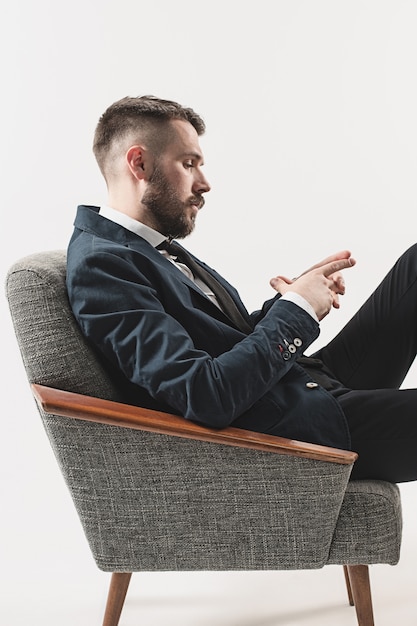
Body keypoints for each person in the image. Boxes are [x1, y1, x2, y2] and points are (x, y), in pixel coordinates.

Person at [67, 95, 417, 483]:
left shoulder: (149, 246)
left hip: (303, 382)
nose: (205, 183)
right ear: (140, 164)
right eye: (189, 164)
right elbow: (204, 395)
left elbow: (222, 345)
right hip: (296, 424)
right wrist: (297, 311)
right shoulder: (102, 266)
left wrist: (287, 302)